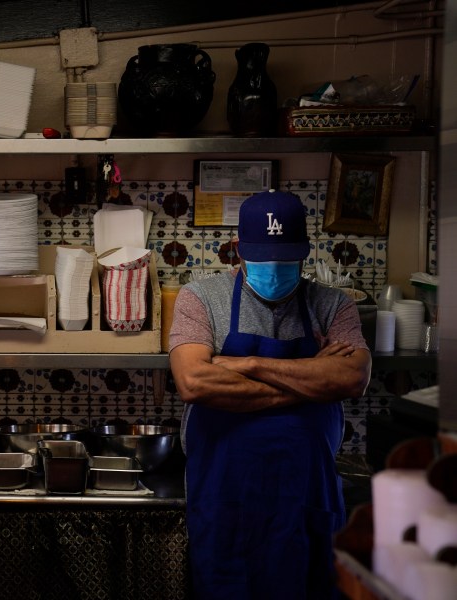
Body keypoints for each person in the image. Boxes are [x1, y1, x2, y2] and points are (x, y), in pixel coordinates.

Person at [168, 190, 372, 599]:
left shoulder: (333, 304)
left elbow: (352, 379)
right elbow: (193, 382)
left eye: (285, 259)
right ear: (238, 251)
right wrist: (312, 380)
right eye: (262, 258)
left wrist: (246, 364)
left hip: (306, 499)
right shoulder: (201, 298)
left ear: (304, 252)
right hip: (225, 500)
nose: (274, 270)